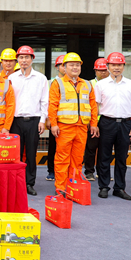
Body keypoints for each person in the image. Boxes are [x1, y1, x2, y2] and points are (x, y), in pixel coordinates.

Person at [94, 51, 131, 201]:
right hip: (106, 123)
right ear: (108, 66)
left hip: (125, 124)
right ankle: (104, 187)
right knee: (104, 156)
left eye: (119, 65)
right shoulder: (100, 85)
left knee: (122, 157)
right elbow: (95, 106)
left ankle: (119, 188)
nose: (116, 68)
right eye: (113, 65)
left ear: (124, 66)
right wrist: (94, 124)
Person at [47, 53, 98, 193]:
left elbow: (93, 106)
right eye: (71, 65)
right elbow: (52, 105)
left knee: (77, 159)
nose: (75, 67)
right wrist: (54, 124)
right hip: (64, 127)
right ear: (64, 67)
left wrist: (94, 124)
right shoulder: (57, 83)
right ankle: (60, 188)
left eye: (77, 65)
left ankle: (73, 187)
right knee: (62, 159)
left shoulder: (87, 84)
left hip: (82, 127)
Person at [8, 45, 48, 196]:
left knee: (31, 154)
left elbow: (44, 101)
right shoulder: (11, 79)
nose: (24, 60)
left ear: (32, 59)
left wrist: (42, 120)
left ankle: (29, 183)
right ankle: (16, 183)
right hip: (15, 121)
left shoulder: (41, 78)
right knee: (15, 155)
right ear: (17, 60)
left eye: (27, 57)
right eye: (21, 57)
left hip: (34, 120)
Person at [83, 57, 109, 181]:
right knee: (91, 148)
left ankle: (102, 172)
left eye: (104, 70)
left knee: (105, 149)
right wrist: (90, 121)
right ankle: (89, 172)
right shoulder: (88, 84)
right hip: (92, 121)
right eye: (100, 70)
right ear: (95, 71)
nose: (103, 73)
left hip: (107, 121)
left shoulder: (111, 84)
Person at [45, 55, 66, 181]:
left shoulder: (74, 82)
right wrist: (49, 119)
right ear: (57, 67)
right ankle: (51, 171)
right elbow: (47, 101)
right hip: (55, 119)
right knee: (53, 146)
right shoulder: (50, 82)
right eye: (62, 65)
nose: (64, 68)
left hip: (68, 120)